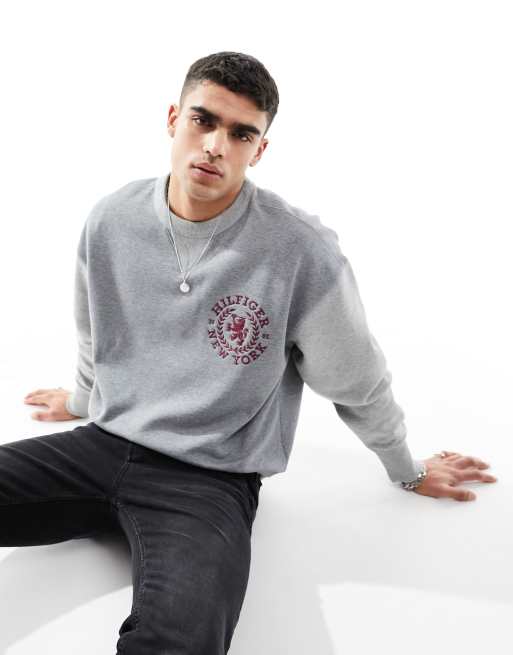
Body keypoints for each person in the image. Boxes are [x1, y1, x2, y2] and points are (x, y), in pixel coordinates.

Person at [4, 51, 497, 654]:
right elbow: (95, 332)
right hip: (102, 444)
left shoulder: (299, 251)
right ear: (173, 119)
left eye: (241, 134)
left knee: (181, 640)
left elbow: (355, 377)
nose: (216, 145)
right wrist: (83, 399)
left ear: (259, 149)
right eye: (203, 121)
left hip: (208, 479)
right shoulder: (111, 220)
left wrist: (406, 467)